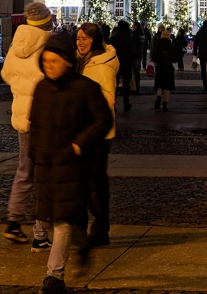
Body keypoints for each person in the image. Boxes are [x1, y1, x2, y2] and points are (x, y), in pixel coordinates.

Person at [28, 32, 113, 294]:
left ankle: (54, 276)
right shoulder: (41, 88)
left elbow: (103, 120)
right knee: (52, 218)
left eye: (53, 61)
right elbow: (35, 124)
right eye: (45, 61)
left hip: (73, 165)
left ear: (67, 61)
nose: (48, 65)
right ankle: (82, 244)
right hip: (47, 164)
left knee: (63, 220)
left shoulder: (85, 88)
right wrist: (34, 154)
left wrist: (78, 144)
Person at [1, 1, 53, 247]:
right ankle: (41, 232)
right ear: (46, 22)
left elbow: (6, 74)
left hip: (22, 117)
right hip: (43, 118)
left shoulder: (17, 43)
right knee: (47, 175)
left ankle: (13, 221)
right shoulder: (46, 45)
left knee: (24, 170)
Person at [76, 22, 119, 250]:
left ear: (95, 40)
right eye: (78, 38)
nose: (80, 42)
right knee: (87, 182)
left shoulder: (100, 67)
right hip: (84, 132)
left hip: (97, 135)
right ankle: (85, 228)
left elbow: (107, 103)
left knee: (95, 184)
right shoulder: (84, 62)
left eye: (85, 38)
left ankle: (100, 229)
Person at [109, 20, 135, 110]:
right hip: (127, 64)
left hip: (115, 64)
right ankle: (126, 103)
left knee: (114, 85)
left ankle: (113, 104)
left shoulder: (113, 39)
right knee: (126, 85)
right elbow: (133, 52)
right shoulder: (130, 39)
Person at [151, 24, 175, 110]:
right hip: (168, 68)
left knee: (160, 85)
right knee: (167, 87)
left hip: (159, 68)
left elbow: (154, 58)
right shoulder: (171, 46)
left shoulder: (157, 46)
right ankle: (165, 104)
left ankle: (158, 97)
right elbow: (174, 59)